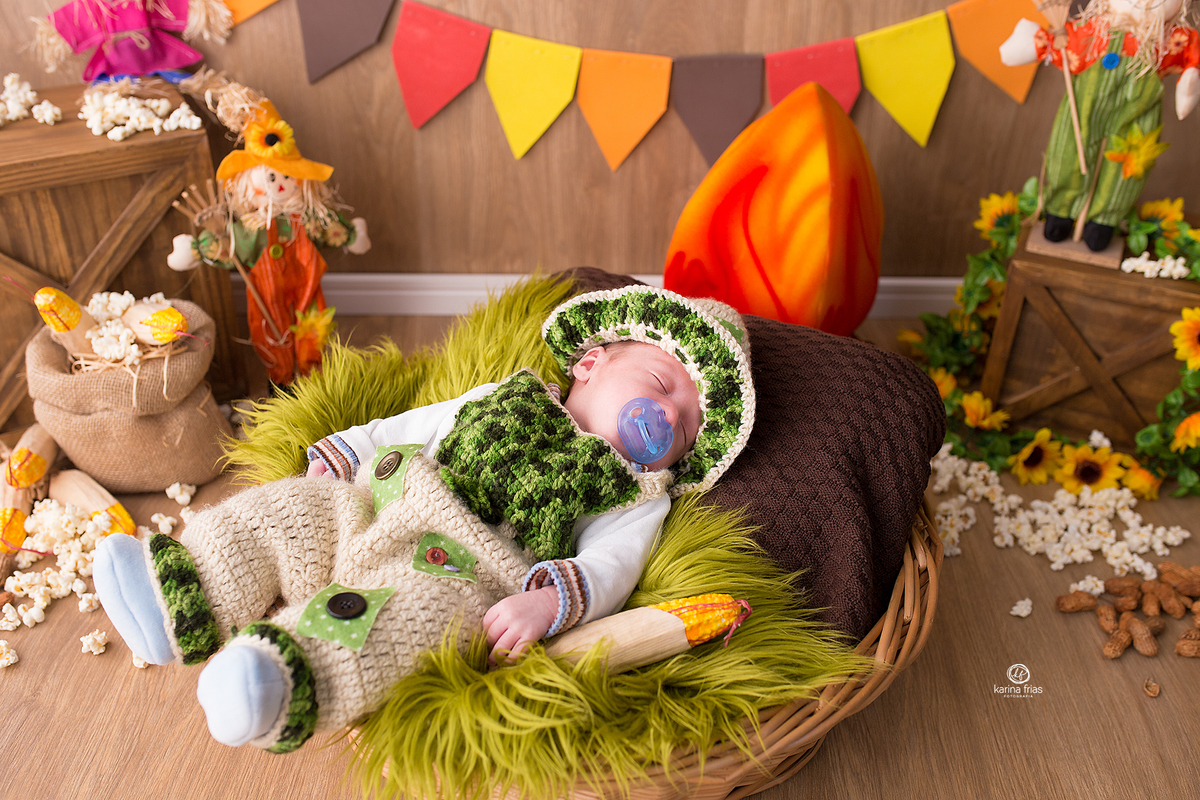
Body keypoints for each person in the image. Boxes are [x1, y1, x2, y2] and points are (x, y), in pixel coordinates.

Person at [92, 285, 755, 753]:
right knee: (290, 510)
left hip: (461, 567)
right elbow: (422, 422)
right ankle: (178, 596)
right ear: (591, 362)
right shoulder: (510, 391)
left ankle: (279, 680)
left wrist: (551, 603)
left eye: (692, 426)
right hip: (380, 495)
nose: (670, 418)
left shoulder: (638, 492)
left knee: (391, 619)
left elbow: (613, 564)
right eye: (662, 387)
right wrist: (351, 448)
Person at [999, 0, 1200, 251]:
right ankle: (1061, 210)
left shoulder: (1168, 37)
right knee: (1069, 153)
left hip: (1137, 113)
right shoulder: (1095, 29)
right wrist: (1042, 43)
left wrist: (1190, 81)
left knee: (1127, 167)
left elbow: (1191, 57)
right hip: (1086, 107)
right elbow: (1066, 44)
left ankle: (1103, 220)